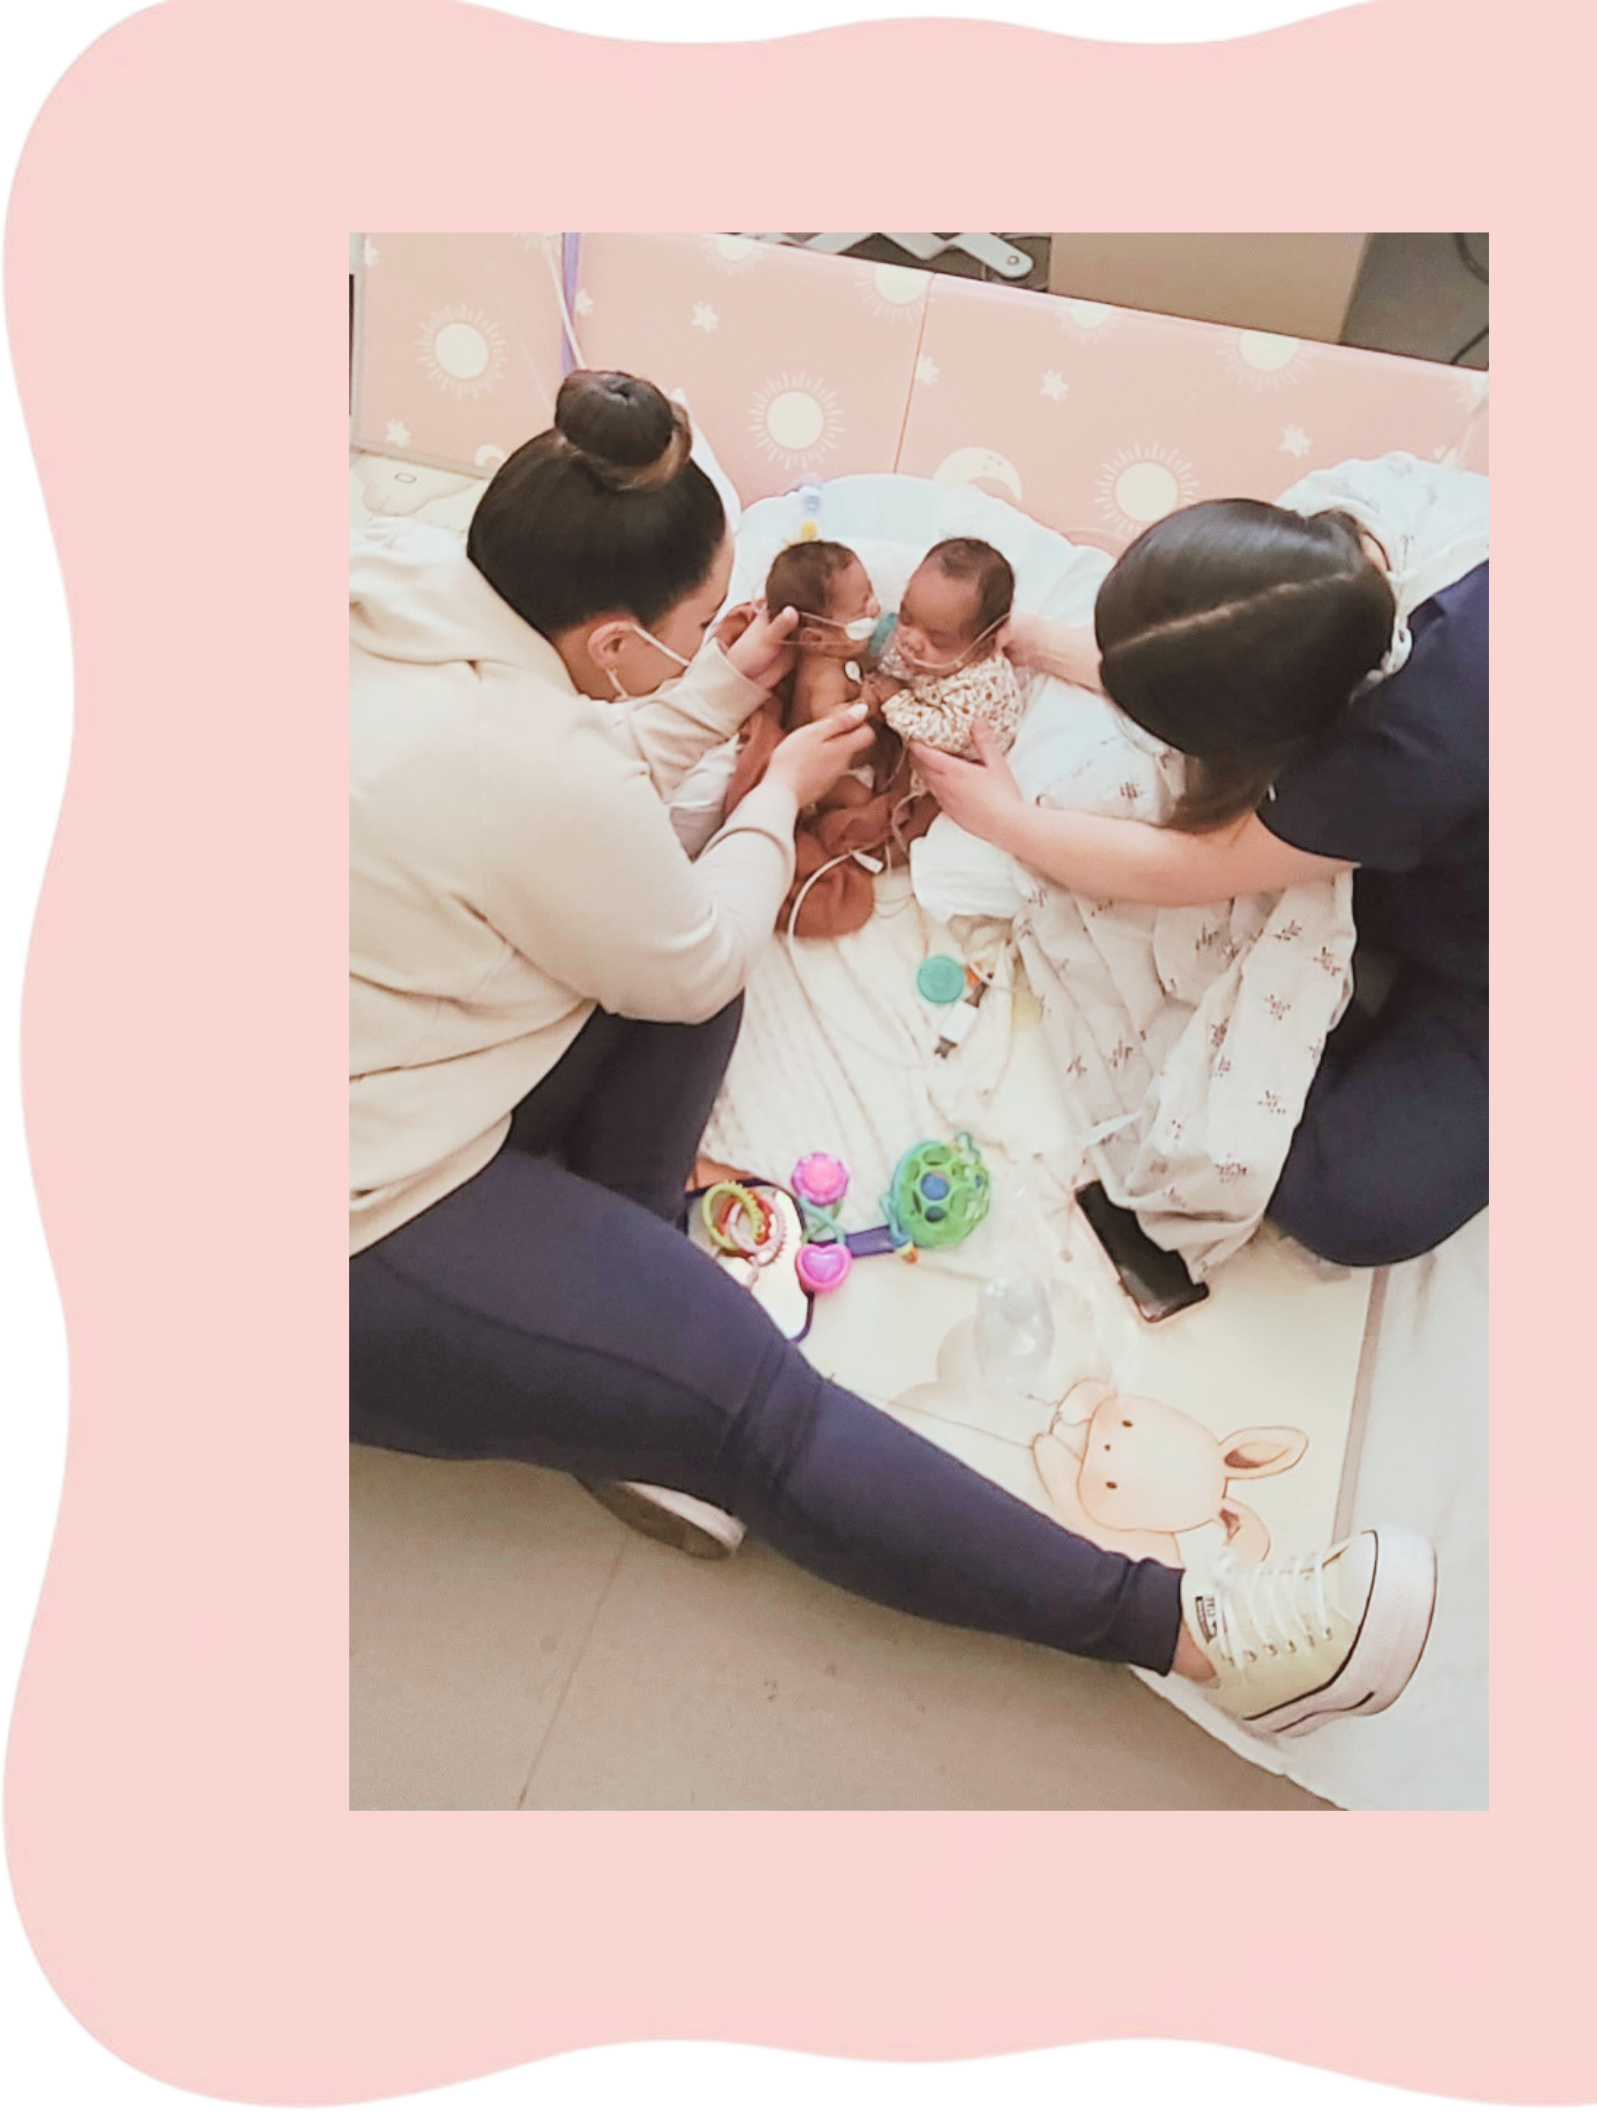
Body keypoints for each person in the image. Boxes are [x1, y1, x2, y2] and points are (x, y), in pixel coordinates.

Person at [349, 369, 1435, 1733]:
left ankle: (619, 1320)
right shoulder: (530, 770)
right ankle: (1205, 1640)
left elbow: (575, 761)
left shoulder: (401, 584)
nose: (716, 642)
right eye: (697, 626)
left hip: (395, 1040)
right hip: (364, 1210)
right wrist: (779, 792)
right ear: (615, 634)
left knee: (711, 938)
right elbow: (669, 926)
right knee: (760, 1409)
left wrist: (717, 701)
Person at [911, 494, 1487, 1271]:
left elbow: (1197, 866)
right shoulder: (1326, 556)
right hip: (1426, 846)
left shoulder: (1404, 749)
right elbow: (1215, 657)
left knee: (1350, 1200)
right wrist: (1039, 643)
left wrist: (1003, 819)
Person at [716, 539, 935, 939]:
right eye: (861, 607)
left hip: (849, 760)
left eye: (871, 593)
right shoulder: (823, 674)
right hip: (823, 778)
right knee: (859, 802)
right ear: (816, 639)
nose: (875, 608)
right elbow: (833, 719)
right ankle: (866, 848)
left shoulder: (842, 654)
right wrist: (868, 701)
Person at [872, 537, 1029, 758]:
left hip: (959, 750)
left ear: (983, 647)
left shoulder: (978, 686)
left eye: (937, 641)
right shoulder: (928, 649)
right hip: (919, 705)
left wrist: (895, 700)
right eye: (906, 617)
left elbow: (944, 736)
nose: (911, 640)